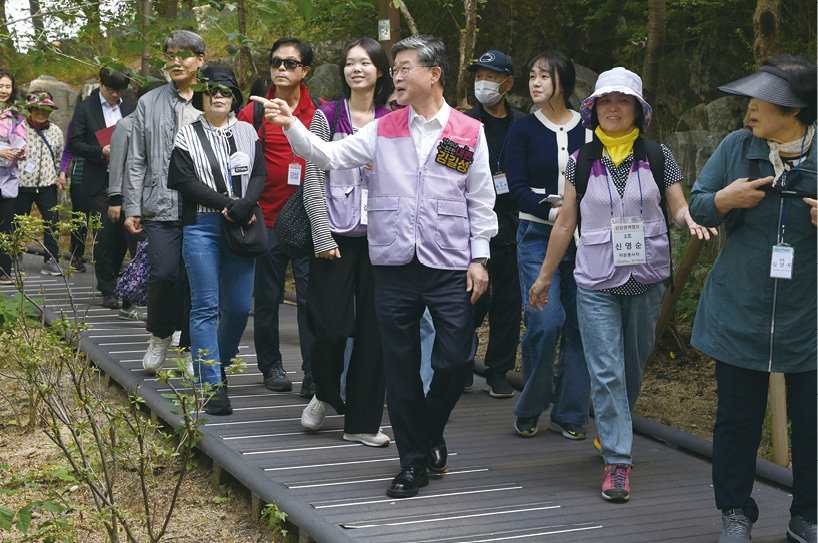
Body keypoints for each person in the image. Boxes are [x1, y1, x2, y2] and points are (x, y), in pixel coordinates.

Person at [255, 34, 498, 499]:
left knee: (456, 360)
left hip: (449, 262)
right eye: (396, 68)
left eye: (406, 68)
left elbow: (480, 198)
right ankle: (412, 462)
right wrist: (290, 127)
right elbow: (328, 156)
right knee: (400, 367)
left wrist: (479, 256)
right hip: (392, 263)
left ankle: (428, 430)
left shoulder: (467, 131)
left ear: (434, 75)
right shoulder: (385, 128)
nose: (397, 76)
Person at [528, 67, 716, 503]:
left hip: (646, 278)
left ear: (638, 109)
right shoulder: (581, 160)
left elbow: (677, 207)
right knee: (606, 370)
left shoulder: (658, 155)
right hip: (596, 281)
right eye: (606, 101)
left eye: (623, 100)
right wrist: (544, 276)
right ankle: (618, 460)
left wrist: (690, 220)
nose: (614, 108)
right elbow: (566, 223)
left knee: (631, 368)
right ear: (594, 109)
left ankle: (613, 429)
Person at [688, 55, 816, 543]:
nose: (750, 110)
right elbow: (698, 204)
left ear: (793, 108)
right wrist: (724, 201)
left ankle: (808, 516)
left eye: (761, 100)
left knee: (813, 424)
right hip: (739, 309)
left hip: (809, 315)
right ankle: (735, 512)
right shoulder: (736, 147)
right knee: (737, 420)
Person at [298, 37, 393, 446]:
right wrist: (321, 234)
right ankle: (324, 391)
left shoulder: (394, 119)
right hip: (334, 236)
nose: (357, 69)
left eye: (365, 63)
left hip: (381, 240)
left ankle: (362, 423)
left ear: (380, 70)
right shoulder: (328, 115)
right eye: (351, 63)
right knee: (330, 327)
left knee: (375, 332)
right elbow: (312, 177)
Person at [167, 66, 266, 416]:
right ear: (202, 97)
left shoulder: (248, 131)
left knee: (238, 307)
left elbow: (259, 172)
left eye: (226, 91)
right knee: (206, 307)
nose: (219, 97)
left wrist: (245, 205)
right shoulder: (187, 134)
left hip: (243, 224)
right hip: (202, 225)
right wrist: (228, 204)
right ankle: (210, 384)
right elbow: (182, 180)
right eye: (212, 92)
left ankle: (218, 364)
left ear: (235, 98)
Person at [506, 51, 591, 438]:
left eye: (544, 76)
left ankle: (570, 412)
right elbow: (516, 186)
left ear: (564, 82)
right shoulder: (523, 129)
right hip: (537, 235)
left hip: (586, 240)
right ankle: (532, 405)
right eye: (532, 76)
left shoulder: (589, 128)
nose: (535, 83)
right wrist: (552, 209)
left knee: (581, 325)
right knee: (544, 320)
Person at [236, 37, 317, 396]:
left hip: (309, 219)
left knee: (311, 300)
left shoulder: (321, 112)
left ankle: (314, 371)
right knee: (267, 300)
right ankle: (271, 366)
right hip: (266, 219)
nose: (282, 69)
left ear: (305, 70)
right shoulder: (252, 113)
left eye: (290, 63)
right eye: (276, 63)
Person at [124, 29, 206, 373]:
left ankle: (187, 345)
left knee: (195, 278)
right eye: (170, 55)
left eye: (183, 55)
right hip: (159, 204)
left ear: (200, 60)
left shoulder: (211, 99)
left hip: (201, 207)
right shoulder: (149, 101)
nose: (176, 61)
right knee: (163, 274)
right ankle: (159, 335)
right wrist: (132, 206)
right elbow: (136, 158)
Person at [463, 49, 524, 398]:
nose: (483, 83)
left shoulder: (524, 125)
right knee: (471, 298)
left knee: (508, 304)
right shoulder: (462, 123)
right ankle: (461, 363)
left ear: (508, 83)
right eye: (479, 76)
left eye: (491, 76)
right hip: (472, 225)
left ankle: (498, 371)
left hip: (514, 225)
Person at [69, 67, 137, 306]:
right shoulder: (86, 109)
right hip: (99, 180)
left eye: (120, 91)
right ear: (100, 83)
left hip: (127, 180)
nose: (115, 95)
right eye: (110, 90)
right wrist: (101, 151)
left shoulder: (131, 108)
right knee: (104, 234)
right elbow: (75, 143)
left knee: (122, 235)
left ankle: (115, 279)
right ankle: (107, 288)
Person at [16, 92, 65, 275]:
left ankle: (51, 260)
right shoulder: (20, 128)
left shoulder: (56, 131)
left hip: (47, 185)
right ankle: (15, 255)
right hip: (21, 184)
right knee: (18, 223)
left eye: (46, 109)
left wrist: (60, 175)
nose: (42, 113)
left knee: (52, 223)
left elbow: (60, 156)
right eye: (37, 109)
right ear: (30, 110)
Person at [0, 68, 27, 283]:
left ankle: (4, 269)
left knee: (6, 225)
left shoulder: (17, 116)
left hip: (7, 181)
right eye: (0, 85)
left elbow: (23, 145)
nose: (4, 90)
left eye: (8, 86)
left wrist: (19, 151)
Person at [61, 121, 89, 272]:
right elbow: (68, 150)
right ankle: (76, 256)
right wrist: (63, 172)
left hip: (105, 178)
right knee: (80, 219)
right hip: (79, 177)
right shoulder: (76, 122)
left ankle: (107, 260)